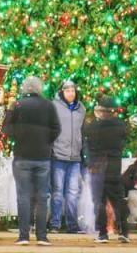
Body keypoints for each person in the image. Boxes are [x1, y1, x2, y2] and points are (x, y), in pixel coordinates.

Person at [4, 75, 60, 246]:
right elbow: (56, 129)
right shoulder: (49, 105)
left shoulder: (17, 104)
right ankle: (42, 236)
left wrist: (19, 138)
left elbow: (7, 128)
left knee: (23, 196)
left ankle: (23, 236)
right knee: (43, 197)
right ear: (39, 88)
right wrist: (45, 141)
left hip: (22, 156)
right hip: (43, 157)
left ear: (24, 88)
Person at [86, 95, 129, 244]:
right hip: (114, 167)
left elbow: (89, 145)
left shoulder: (93, 127)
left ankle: (103, 233)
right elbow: (123, 141)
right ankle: (124, 231)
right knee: (118, 200)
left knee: (100, 201)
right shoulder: (121, 126)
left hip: (98, 167)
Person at [50, 79, 87, 234]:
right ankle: (55, 224)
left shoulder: (81, 109)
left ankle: (72, 225)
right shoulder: (54, 106)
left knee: (73, 193)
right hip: (58, 156)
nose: (70, 93)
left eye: (72, 90)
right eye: (67, 91)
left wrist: (82, 150)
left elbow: (82, 131)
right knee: (57, 193)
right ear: (62, 92)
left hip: (75, 158)